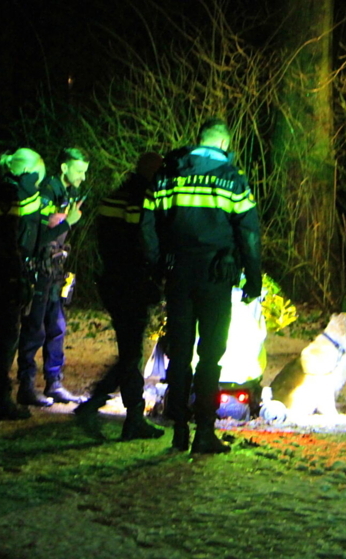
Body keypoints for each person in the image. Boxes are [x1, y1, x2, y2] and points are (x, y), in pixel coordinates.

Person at [140, 118, 261, 454]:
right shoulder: (231, 179)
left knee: (179, 354)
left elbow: (147, 224)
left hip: (178, 273)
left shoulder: (169, 173)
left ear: (199, 141)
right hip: (215, 276)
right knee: (211, 355)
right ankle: (204, 431)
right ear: (223, 143)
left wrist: (157, 265)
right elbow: (249, 232)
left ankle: (179, 428)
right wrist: (253, 278)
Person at [74, 152, 166, 441]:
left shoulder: (114, 196)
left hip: (112, 279)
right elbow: (146, 239)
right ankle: (130, 417)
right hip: (134, 281)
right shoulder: (144, 197)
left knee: (129, 348)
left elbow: (104, 239)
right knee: (131, 353)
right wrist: (158, 270)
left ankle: (98, 401)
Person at [0, 148, 61, 419]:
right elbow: (27, 241)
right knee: (8, 337)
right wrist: (62, 225)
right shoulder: (23, 195)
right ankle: (1, 401)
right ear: (30, 172)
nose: (40, 184)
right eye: (38, 178)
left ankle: (0, 397)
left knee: (3, 335)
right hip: (11, 275)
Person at [16, 147, 90, 406]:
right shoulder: (46, 192)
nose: (82, 178)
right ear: (64, 168)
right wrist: (68, 222)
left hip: (56, 267)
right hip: (41, 268)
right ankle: (26, 385)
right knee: (35, 327)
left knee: (57, 326)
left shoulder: (71, 191)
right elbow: (41, 236)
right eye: (79, 171)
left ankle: (54, 383)